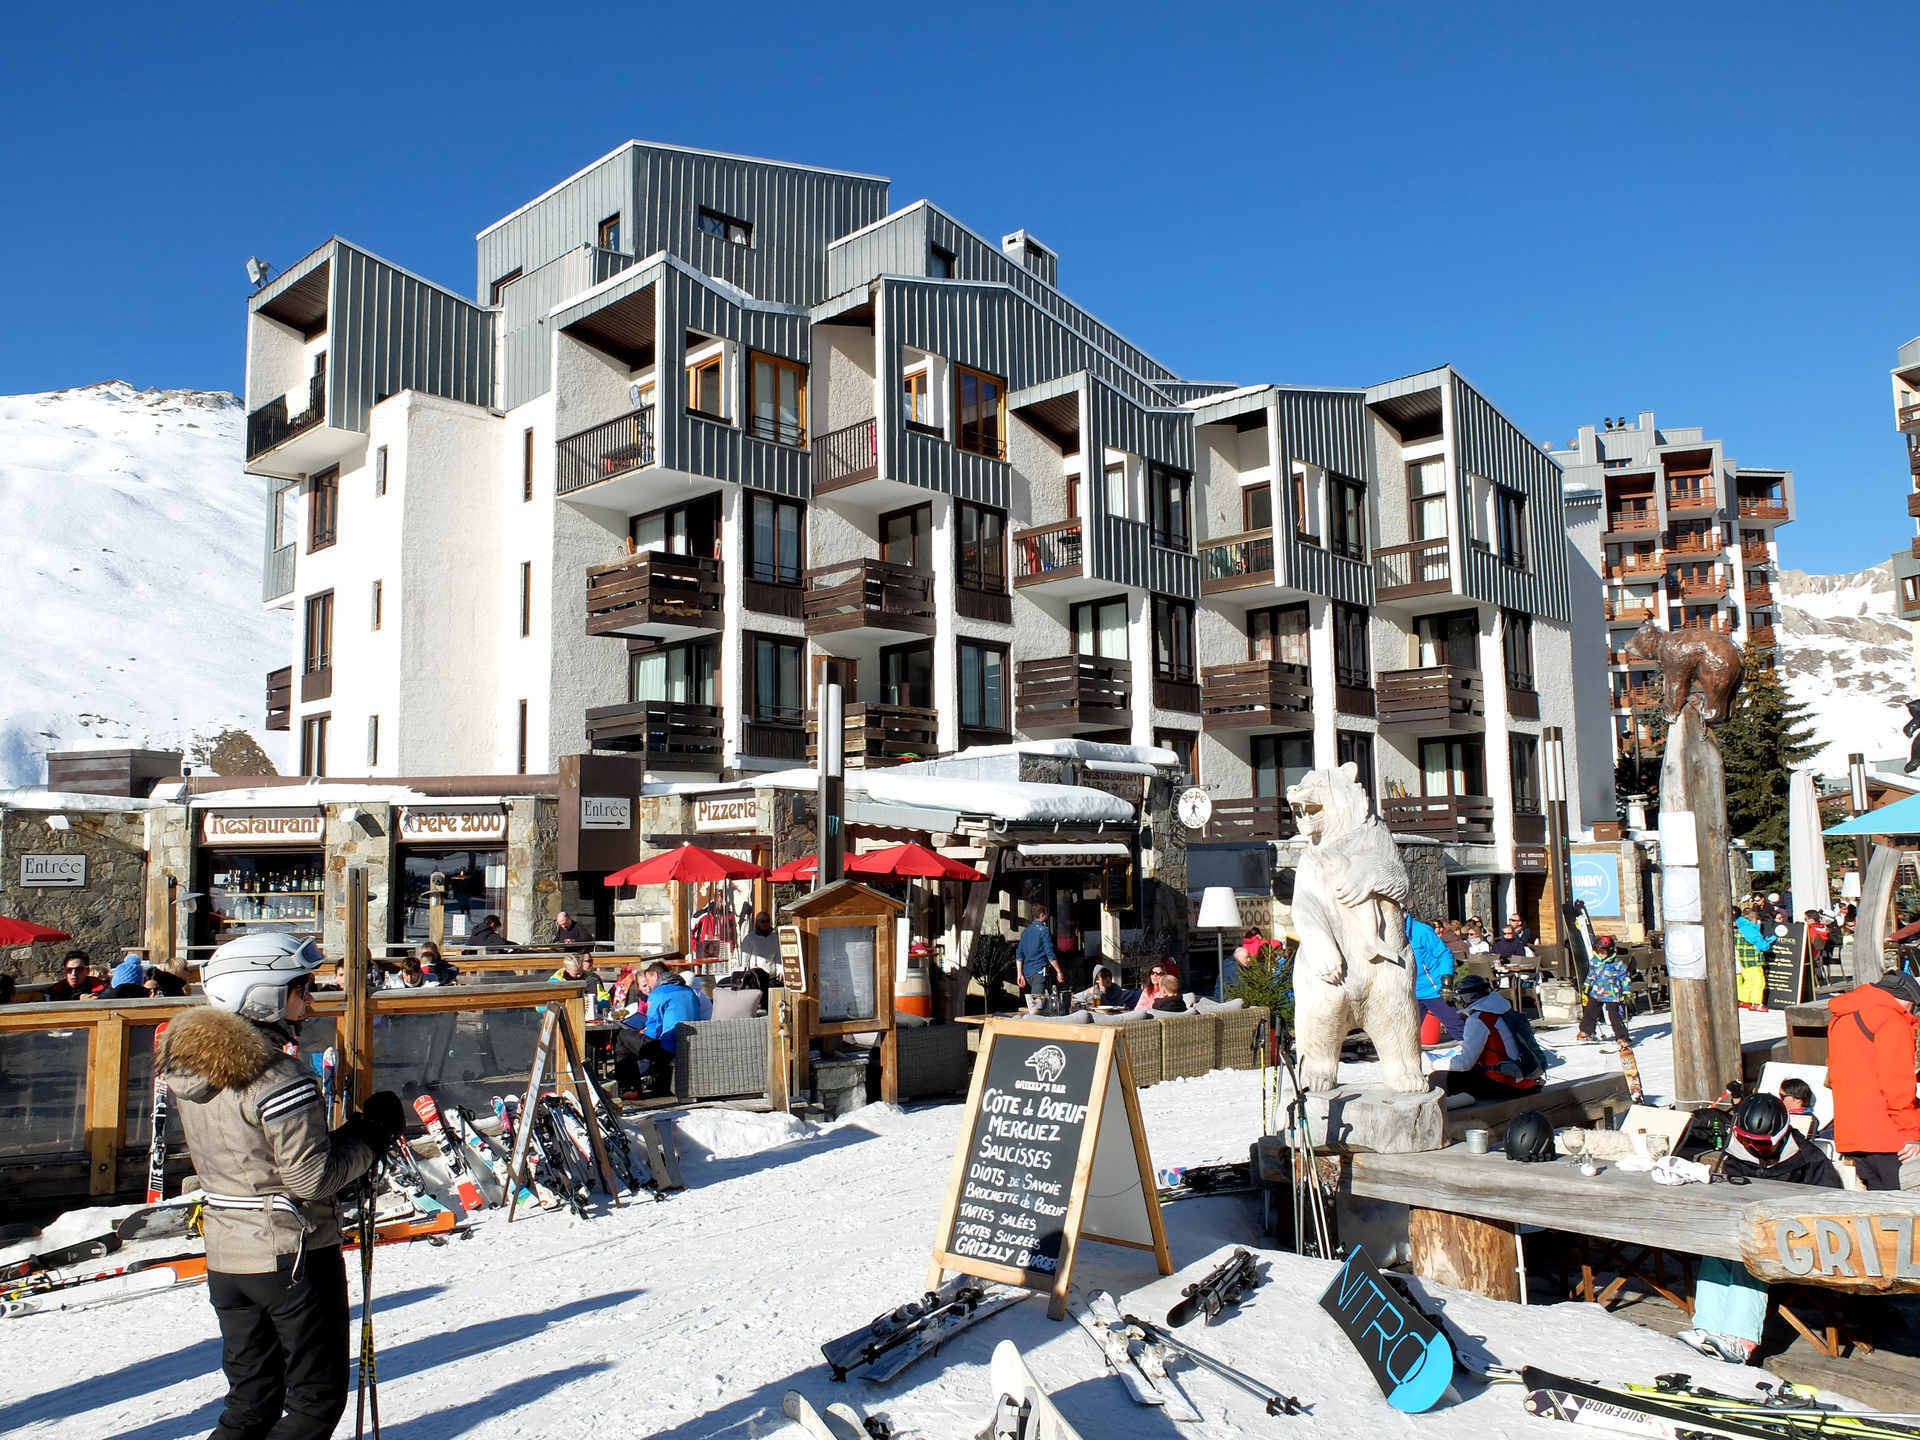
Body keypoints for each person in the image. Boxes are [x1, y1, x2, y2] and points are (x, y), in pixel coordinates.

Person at [160, 933, 401, 1440]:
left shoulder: (191, 1067)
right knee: (315, 1403)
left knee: (251, 1401)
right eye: (300, 987)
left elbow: (256, 1156)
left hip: (228, 1253)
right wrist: (371, 1138)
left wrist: (349, 1138)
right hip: (292, 1254)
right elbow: (310, 1178)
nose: (310, 998)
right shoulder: (277, 1077)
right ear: (261, 994)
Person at [1679, 1093, 1841, 1364]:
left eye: (1761, 1144)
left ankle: (1741, 1339)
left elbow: (1832, 1206)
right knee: (1716, 1251)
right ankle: (1706, 1328)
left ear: (1780, 1136)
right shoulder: (1738, 1154)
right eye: (1746, 1140)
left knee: (1749, 1257)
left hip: (1797, 1244)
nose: (1753, 1148)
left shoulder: (1809, 1159)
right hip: (1746, 1234)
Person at [1825, 971, 1920, 1191]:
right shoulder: (1892, 1020)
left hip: (1851, 1134)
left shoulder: (1841, 1016)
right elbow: (1898, 1085)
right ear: (1906, 999)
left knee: (1874, 1213)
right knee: (1903, 1213)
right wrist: (1911, 1133)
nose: (1912, 1013)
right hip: (1889, 1138)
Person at [1432, 974, 1544, 1101]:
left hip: (1506, 1084)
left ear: (1466, 997)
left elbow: (1465, 1063)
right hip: (1523, 1079)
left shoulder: (1479, 1019)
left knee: (1439, 1077)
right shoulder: (1502, 1009)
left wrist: (1436, 1063)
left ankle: (1452, 1115)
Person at [614, 962, 701, 1099]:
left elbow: (653, 1031)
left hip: (670, 1049)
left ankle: (629, 1088)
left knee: (622, 1037)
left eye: (648, 980)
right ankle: (657, 1081)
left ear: (655, 975)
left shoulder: (659, 993)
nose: (649, 985)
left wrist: (640, 1033)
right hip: (692, 1044)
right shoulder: (688, 991)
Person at [1406, 915, 1462, 1041]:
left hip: (1433, 989)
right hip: (1409, 992)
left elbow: (1444, 953)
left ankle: (1480, 1056)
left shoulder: (1421, 930)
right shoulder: (1388, 932)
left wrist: (1446, 981)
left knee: (1458, 1028)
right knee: (1406, 1037)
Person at [1575, 936, 1632, 1050]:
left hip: (1612, 994)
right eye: (1599, 951)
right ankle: (1586, 1031)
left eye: (1604, 952)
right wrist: (1587, 986)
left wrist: (1626, 992)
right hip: (1597, 992)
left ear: (1610, 951)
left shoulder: (1617, 964)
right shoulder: (1595, 962)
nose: (1601, 955)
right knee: (1590, 1012)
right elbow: (1591, 975)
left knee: (1614, 1016)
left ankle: (1622, 1037)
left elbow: (1625, 978)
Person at [1014, 906, 1056, 996]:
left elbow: (1019, 955)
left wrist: (1019, 974)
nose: (1047, 917)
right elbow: (1050, 954)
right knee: (1038, 1004)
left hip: (1027, 973)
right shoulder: (1044, 930)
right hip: (1039, 972)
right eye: (1046, 915)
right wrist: (1059, 971)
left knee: (1039, 1003)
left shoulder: (1025, 932)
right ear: (1042, 915)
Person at [1733, 905, 1770, 1010]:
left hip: (1743, 960)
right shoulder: (1751, 930)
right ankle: (1756, 1002)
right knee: (1758, 981)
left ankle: (1744, 1000)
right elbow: (1763, 946)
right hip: (1752, 960)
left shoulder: (1741, 928)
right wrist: (1769, 941)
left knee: (1749, 981)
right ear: (1753, 920)